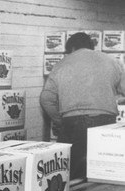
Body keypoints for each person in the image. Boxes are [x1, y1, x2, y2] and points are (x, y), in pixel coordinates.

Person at [40, 32, 125, 179]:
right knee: (102, 169)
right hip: (105, 122)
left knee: (67, 169)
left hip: (72, 121)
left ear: (72, 48)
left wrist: (59, 120)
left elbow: (46, 99)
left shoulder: (61, 65)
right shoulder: (111, 61)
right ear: (91, 46)